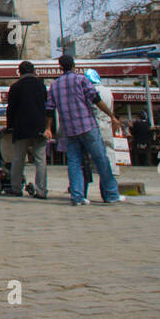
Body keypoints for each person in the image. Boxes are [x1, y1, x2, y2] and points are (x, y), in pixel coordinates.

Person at [45, 54, 121, 206]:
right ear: (74, 65)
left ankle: (77, 196)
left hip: (69, 128)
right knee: (101, 159)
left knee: (74, 162)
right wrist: (111, 115)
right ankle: (111, 194)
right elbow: (95, 99)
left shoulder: (55, 85)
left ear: (60, 67)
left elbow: (49, 108)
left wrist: (48, 127)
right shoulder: (81, 79)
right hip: (87, 125)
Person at [7, 60, 50, 199]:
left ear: (20, 72)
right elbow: (46, 106)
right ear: (33, 71)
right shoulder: (41, 86)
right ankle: (41, 190)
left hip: (21, 128)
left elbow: (11, 109)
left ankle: (16, 188)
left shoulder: (15, 87)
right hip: (39, 127)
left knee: (18, 158)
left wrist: (10, 127)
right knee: (40, 160)